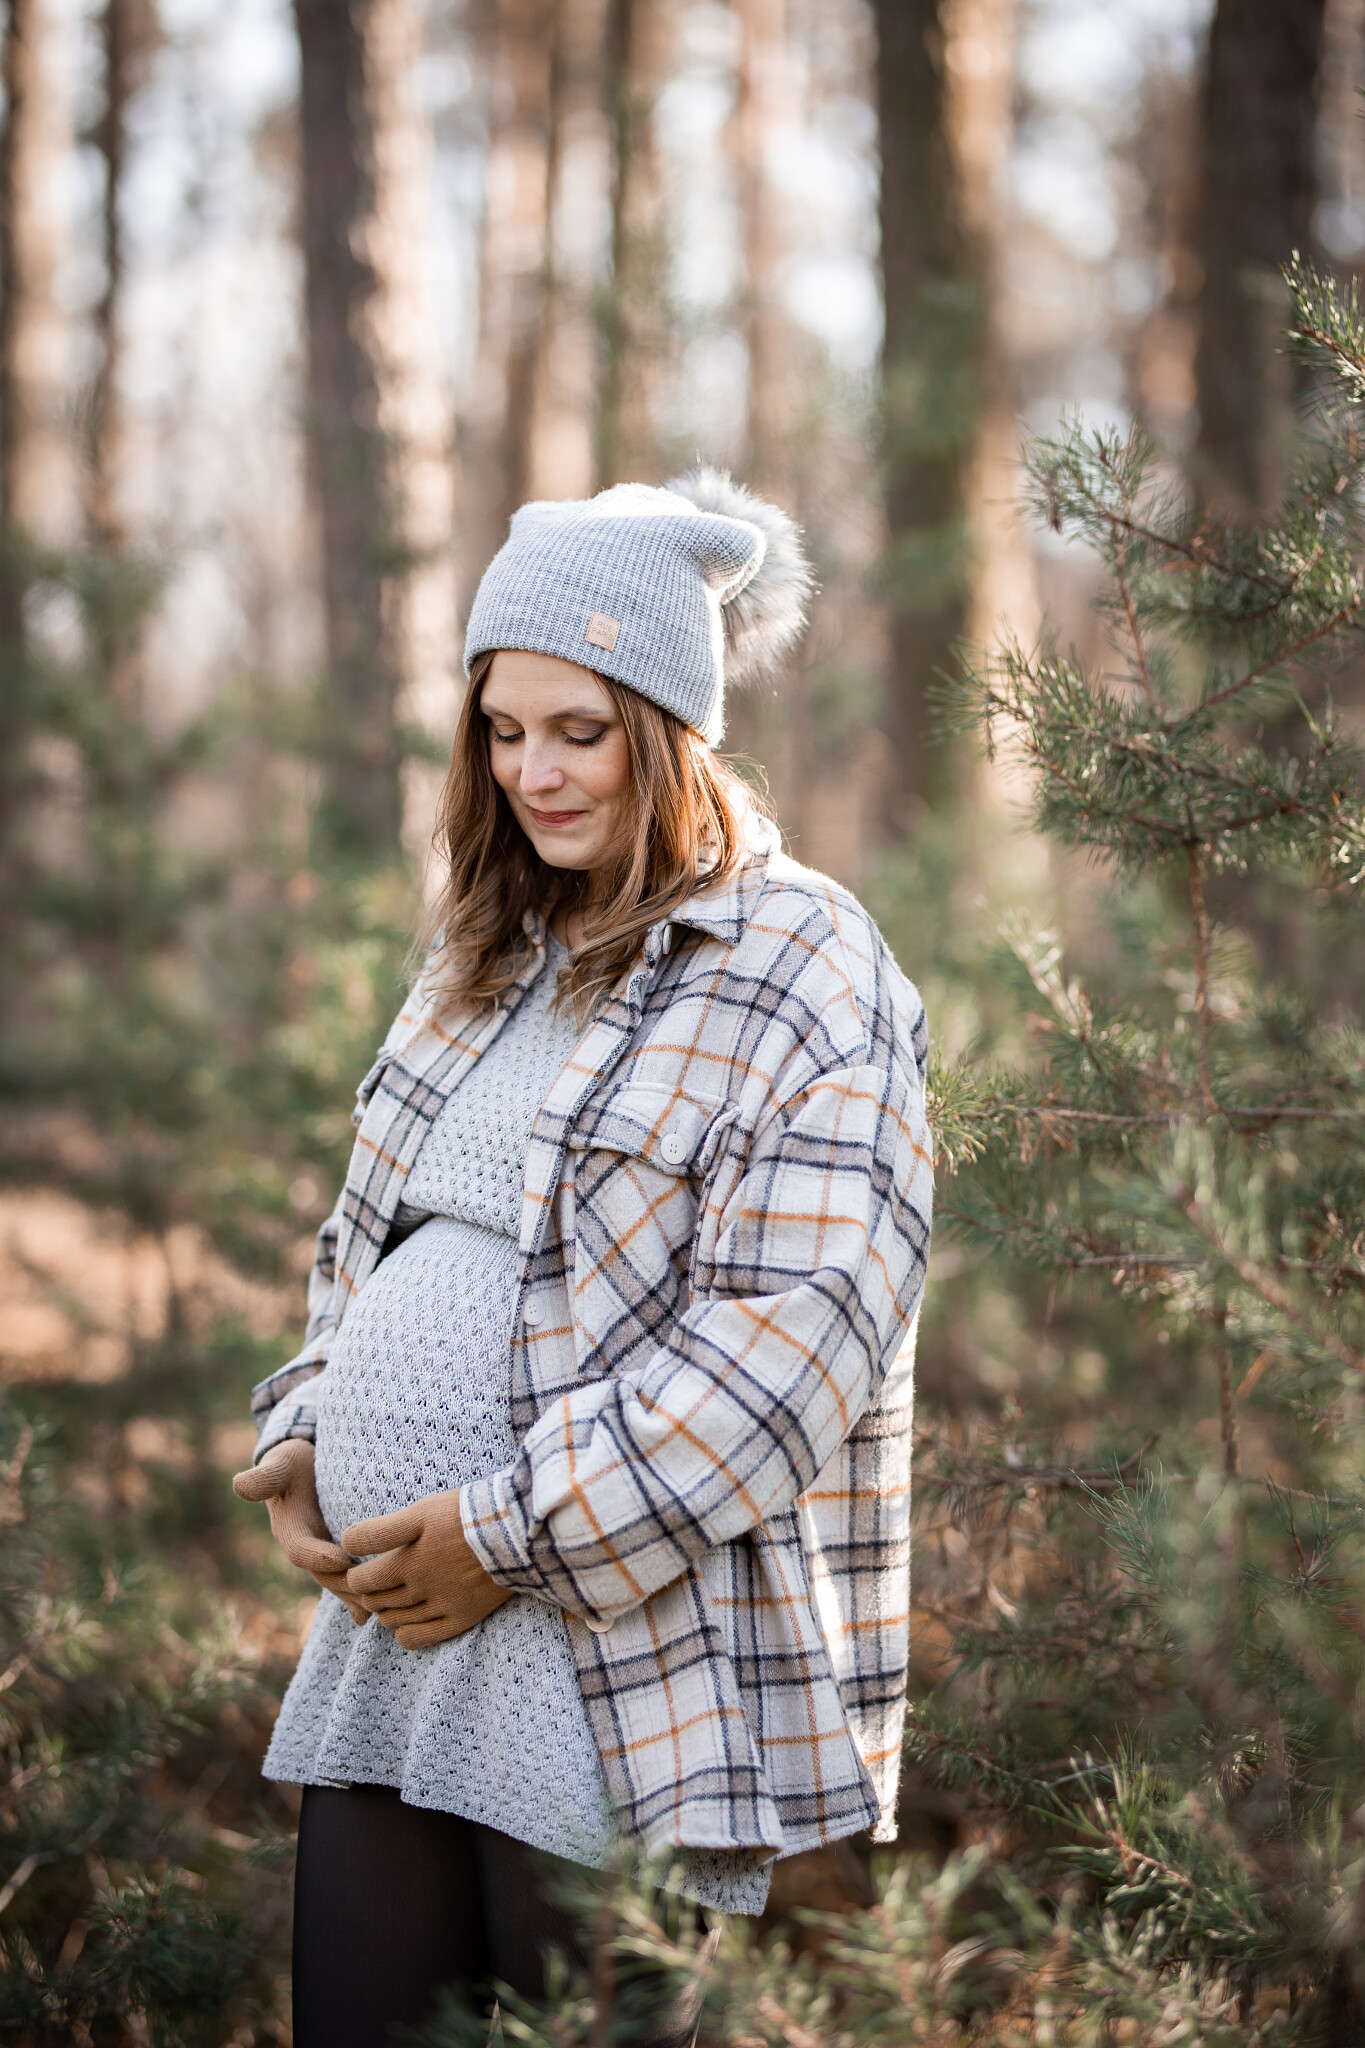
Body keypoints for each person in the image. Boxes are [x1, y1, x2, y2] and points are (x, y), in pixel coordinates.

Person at [234, 470, 933, 2048]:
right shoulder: (484, 948)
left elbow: (791, 1352)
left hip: (618, 1659)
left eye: (579, 731)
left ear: (671, 729)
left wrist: (505, 1535)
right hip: (392, 1636)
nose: (532, 773)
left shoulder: (802, 963)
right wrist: (310, 1428)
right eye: (501, 730)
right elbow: (368, 1243)